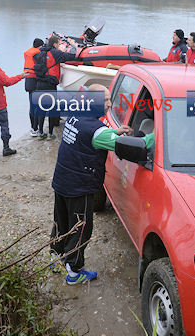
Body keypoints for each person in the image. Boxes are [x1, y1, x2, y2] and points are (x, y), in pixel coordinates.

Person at [49, 84, 155, 284]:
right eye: (105, 100)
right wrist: (156, 136)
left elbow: (89, 134)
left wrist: (113, 130)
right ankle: (74, 272)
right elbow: (133, 146)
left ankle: (55, 257)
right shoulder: (98, 132)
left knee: (61, 221)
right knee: (81, 228)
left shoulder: (76, 115)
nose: (109, 104)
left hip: (61, 181)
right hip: (79, 187)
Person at [33, 35, 78, 140]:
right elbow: (72, 55)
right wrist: (72, 44)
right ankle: (50, 134)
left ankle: (40, 132)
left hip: (39, 84)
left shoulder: (40, 53)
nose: (59, 46)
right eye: (58, 44)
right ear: (54, 44)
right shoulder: (55, 53)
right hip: (50, 85)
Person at [23, 38, 44, 136]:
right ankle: (35, 129)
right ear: (40, 46)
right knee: (36, 106)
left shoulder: (29, 52)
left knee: (32, 105)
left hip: (28, 80)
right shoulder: (37, 53)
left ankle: (33, 128)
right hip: (35, 80)